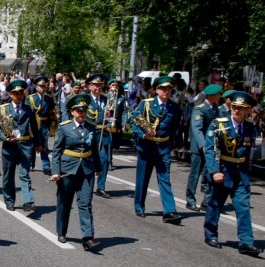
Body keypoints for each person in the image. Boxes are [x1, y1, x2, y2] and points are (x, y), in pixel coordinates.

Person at [202, 91, 262, 255]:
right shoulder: (219, 124)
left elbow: (249, 151)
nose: (237, 111)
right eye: (235, 107)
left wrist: (247, 171)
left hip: (240, 173)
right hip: (224, 170)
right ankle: (210, 234)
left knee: (243, 207)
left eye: (241, 108)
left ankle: (246, 242)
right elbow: (211, 149)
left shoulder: (249, 127)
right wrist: (215, 171)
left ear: (248, 110)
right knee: (216, 204)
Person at [50, 93, 100, 251]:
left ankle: (87, 237)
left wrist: (98, 167)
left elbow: (94, 150)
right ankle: (62, 231)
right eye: (78, 111)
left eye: (84, 110)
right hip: (68, 170)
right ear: (72, 112)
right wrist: (55, 171)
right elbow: (57, 152)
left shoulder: (91, 127)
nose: (82, 114)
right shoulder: (64, 127)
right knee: (64, 203)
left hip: (86, 170)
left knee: (85, 203)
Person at [129, 76, 183, 222]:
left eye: (169, 89)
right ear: (157, 90)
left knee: (165, 178)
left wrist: (172, 143)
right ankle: (139, 206)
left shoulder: (174, 107)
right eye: (164, 89)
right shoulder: (146, 104)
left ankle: (169, 211)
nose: (166, 91)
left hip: (163, 148)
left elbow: (174, 128)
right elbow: (133, 120)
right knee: (143, 178)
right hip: (147, 146)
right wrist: (143, 134)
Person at [0, 79, 38, 212]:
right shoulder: (3, 109)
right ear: (10, 95)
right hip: (9, 147)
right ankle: (9, 200)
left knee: (24, 174)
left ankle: (28, 201)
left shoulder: (29, 109)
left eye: (20, 93)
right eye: (15, 93)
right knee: (8, 176)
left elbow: (34, 128)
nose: (18, 96)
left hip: (25, 146)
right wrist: (5, 138)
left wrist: (38, 144)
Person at [185, 84, 223, 211]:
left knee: (209, 174)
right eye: (218, 94)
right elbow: (197, 129)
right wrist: (203, 145)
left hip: (211, 147)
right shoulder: (200, 109)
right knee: (195, 174)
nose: (220, 96)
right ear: (212, 95)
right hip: (199, 147)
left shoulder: (217, 109)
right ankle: (190, 200)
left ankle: (206, 202)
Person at [84, 74, 121, 199]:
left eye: (100, 85)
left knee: (103, 160)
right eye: (95, 85)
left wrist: (111, 120)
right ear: (90, 86)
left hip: (103, 133)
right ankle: (87, 185)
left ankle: (101, 187)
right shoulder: (85, 100)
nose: (98, 87)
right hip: (89, 133)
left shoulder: (106, 100)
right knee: (89, 160)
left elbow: (111, 116)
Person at [26, 76, 56, 176]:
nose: (43, 88)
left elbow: (51, 113)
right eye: (41, 86)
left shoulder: (49, 99)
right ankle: (30, 164)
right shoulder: (30, 98)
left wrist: (52, 125)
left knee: (44, 145)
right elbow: (26, 113)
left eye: (44, 86)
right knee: (32, 145)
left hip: (44, 124)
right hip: (33, 124)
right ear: (36, 87)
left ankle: (46, 166)